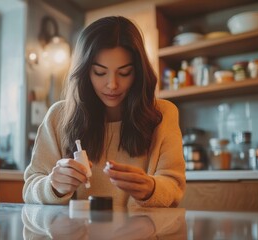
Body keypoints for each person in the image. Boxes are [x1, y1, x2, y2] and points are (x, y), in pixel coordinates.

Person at [23, 16, 185, 208]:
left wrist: (151, 188)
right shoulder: (58, 116)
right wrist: (53, 186)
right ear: (84, 72)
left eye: (124, 73)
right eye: (100, 72)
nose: (112, 85)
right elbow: (30, 187)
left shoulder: (163, 114)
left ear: (139, 73)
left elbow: (174, 186)